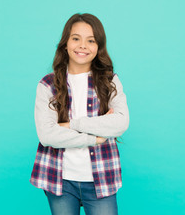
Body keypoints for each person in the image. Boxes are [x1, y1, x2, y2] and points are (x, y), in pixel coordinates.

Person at [30, 13, 129, 215]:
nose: (82, 45)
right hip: (60, 180)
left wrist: (72, 124)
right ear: (66, 43)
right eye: (76, 38)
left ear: (98, 46)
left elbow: (121, 123)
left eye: (90, 40)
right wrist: (95, 138)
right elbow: (47, 136)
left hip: (101, 175)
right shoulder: (48, 85)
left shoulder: (110, 81)